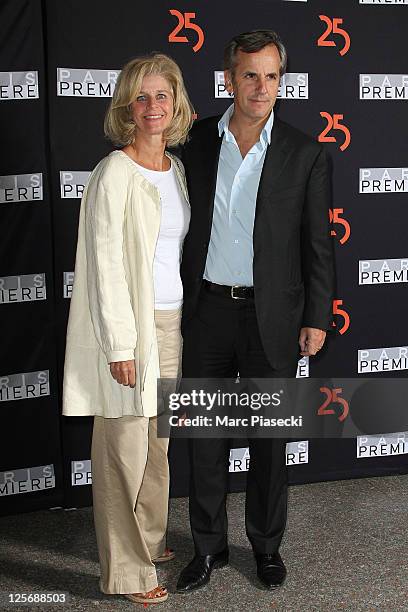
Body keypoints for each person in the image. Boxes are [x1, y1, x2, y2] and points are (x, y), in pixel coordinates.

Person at [176, 30, 335, 593]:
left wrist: (317, 317)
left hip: (274, 319)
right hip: (207, 314)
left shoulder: (305, 151)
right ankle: (207, 549)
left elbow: (319, 244)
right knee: (205, 440)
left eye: (272, 76)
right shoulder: (192, 143)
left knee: (270, 440)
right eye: (250, 75)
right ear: (228, 80)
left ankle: (266, 548)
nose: (262, 87)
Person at [62, 53, 193, 605]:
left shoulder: (176, 169)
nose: (153, 107)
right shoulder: (114, 173)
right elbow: (105, 266)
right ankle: (127, 572)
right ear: (127, 107)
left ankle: (152, 540)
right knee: (123, 453)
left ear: (176, 103)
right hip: (131, 332)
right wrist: (119, 345)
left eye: (162, 95)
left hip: (171, 325)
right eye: (141, 97)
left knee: (157, 447)